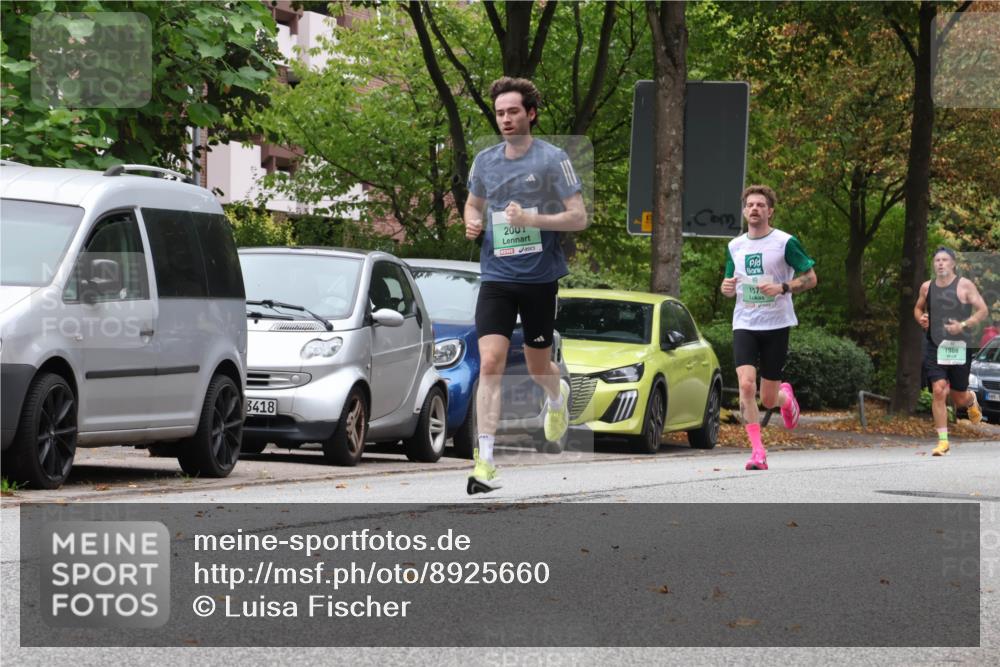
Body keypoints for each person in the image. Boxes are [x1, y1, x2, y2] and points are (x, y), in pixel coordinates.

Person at [463, 77, 587, 494]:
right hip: (496, 276)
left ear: (530, 113)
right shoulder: (485, 161)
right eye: (499, 113)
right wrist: (471, 220)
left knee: (538, 367)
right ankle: (485, 462)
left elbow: (578, 217)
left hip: (539, 279)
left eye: (513, 111)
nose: (506, 120)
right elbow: (473, 203)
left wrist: (533, 220)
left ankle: (556, 396)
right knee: (492, 362)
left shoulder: (553, 160)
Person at [720, 185, 817, 470]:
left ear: (770, 211)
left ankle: (787, 400)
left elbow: (811, 278)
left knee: (769, 398)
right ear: (744, 210)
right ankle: (757, 452)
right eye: (750, 204)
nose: (754, 209)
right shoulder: (734, 246)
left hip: (776, 324)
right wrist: (726, 288)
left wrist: (782, 287)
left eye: (760, 205)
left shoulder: (785, 242)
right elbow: (730, 285)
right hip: (745, 323)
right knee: (746, 385)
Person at [913, 247, 987, 455]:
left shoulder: (965, 286)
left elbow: (982, 310)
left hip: (959, 346)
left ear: (953, 264)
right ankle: (943, 441)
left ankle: (971, 399)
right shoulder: (926, 288)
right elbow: (918, 308)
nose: (941, 263)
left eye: (945, 260)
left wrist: (963, 325)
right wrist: (921, 318)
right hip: (935, 346)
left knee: (958, 398)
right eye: (937, 260)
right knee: (938, 390)